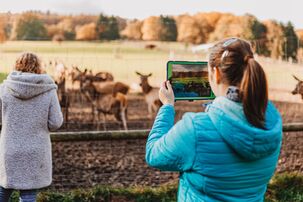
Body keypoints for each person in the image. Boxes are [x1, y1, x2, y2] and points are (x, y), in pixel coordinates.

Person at [146, 38, 283, 201]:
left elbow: (153, 154)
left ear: (216, 74)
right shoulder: (271, 123)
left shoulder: (195, 129)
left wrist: (167, 106)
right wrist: (220, 105)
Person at [0, 52, 63, 202]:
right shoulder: (48, 90)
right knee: (28, 194)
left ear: (17, 65)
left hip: (10, 148)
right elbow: (55, 122)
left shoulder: (4, 89)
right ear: (38, 67)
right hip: (36, 150)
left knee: (3, 190)